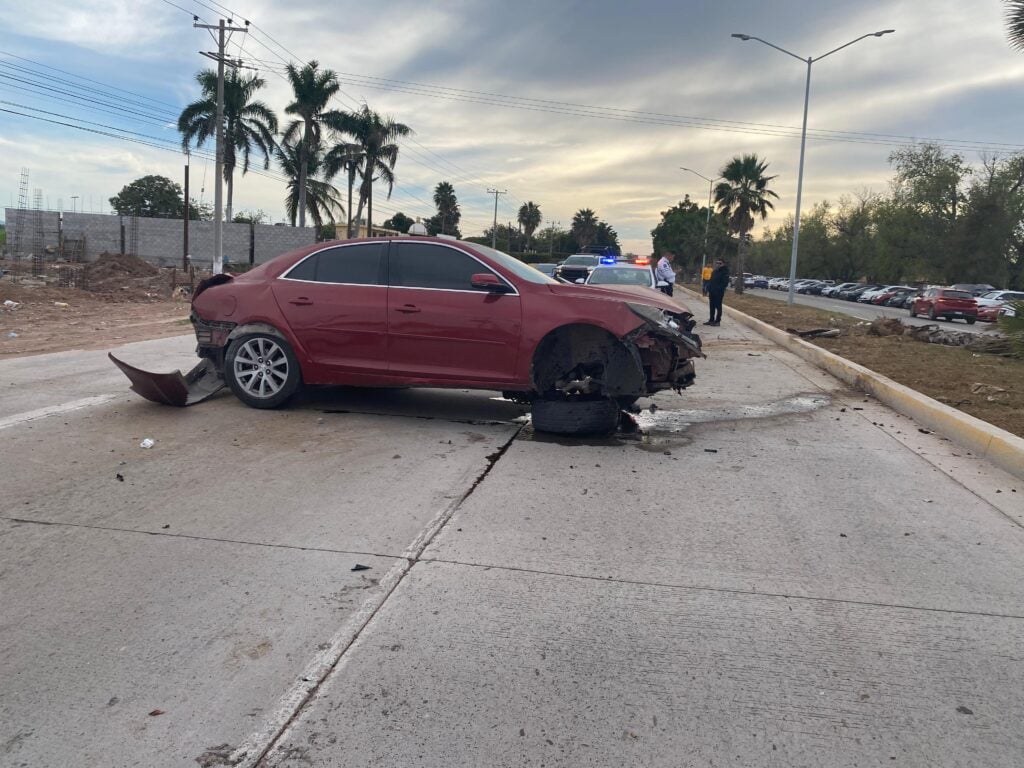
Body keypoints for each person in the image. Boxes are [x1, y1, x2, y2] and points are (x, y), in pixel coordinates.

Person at [704, 259, 730, 326]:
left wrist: (718, 289)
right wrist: (708, 287)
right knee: (711, 306)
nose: (718, 264)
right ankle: (711, 320)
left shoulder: (725, 272)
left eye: (720, 263)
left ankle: (717, 321)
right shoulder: (714, 271)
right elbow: (711, 280)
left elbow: (725, 283)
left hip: (719, 293)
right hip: (712, 292)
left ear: (723, 264)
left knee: (718, 307)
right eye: (717, 263)